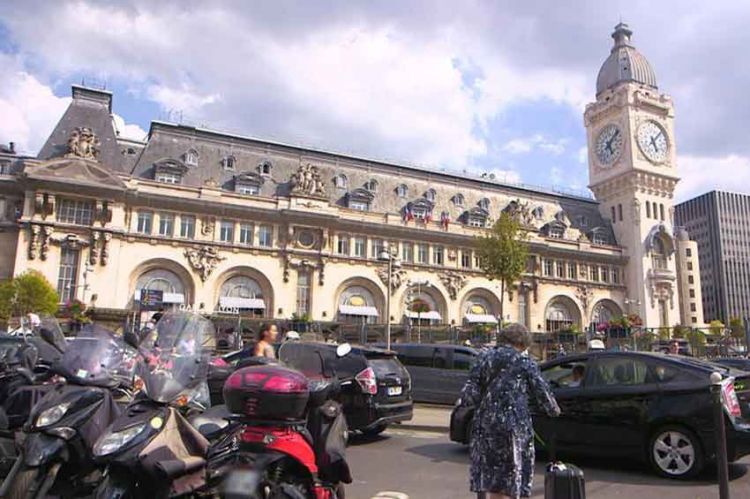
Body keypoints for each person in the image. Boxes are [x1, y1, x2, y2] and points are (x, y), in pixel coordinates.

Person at [461, 324, 561, 499]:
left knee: (488, 477)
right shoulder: (525, 362)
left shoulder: (483, 359)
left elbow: (468, 397)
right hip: (514, 428)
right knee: (512, 477)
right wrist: (554, 410)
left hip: (485, 428)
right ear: (522, 343)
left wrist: (490, 402)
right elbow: (544, 397)